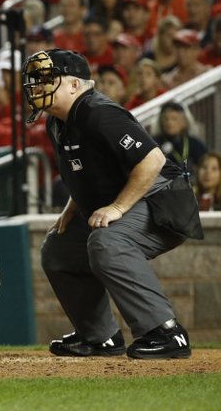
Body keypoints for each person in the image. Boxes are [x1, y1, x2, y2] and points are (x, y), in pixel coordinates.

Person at [22, 48, 199, 359]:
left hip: (164, 200)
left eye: (47, 79)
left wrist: (116, 208)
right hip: (132, 199)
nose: (38, 87)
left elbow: (152, 160)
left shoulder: (99, 112)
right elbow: (86, 170)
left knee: (108, 242)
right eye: (36, 80)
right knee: (59, 249)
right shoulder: (57, 122)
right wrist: (72, 208)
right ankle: (99, 337)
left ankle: (166, 332)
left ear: (74, 85)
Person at [153, 101, 208, 179]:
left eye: (174, 119)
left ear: (184, 122)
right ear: (161, 122)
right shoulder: (154, 144)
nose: (169, 123)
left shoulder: (196, 144)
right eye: (166, 119)